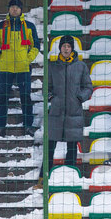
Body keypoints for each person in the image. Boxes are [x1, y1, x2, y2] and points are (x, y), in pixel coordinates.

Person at [40, 35, 92, 177]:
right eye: (64, 46)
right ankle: (43, 177)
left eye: (68, 46)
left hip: (74, 113)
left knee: (72, 148)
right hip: (56, 112)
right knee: (50, 147)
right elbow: (46, 87)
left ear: (72, 49)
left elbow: (88, 87)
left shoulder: (81, 66)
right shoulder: (52, 66)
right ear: (60, 48)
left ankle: (70, 177)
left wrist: (80, 97)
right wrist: (52, 98)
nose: (66, 48)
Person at [0, 0, 40, 138]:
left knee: (26, 98)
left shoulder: (29, 26)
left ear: (21, 9)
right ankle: (0, 127)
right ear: (9, 9)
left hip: (23, 68)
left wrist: (28, 59)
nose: (15, 9)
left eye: (17, 7)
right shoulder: (1, 26)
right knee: (2, 98)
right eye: (12, 7)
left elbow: (36, 46)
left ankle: (28, 126)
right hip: (5, 68)